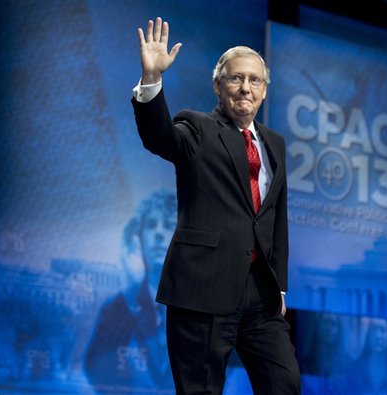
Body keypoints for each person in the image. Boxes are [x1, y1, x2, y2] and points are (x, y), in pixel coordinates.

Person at [130, 17, 300, 394]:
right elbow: (160, 137)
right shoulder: (199, 128)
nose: (245, 88)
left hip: (261, 296)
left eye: (255, 80)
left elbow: (276, 220)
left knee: (285, 383)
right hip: (203, 291)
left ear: (265, 91)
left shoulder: (275, 144)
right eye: (236, 78)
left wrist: (281, 289)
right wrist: (151, 81)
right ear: (218, 85)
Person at [84, 190, 177, 393]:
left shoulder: (205, 304)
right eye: (151, 226)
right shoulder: (117, 307)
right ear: (139, 240)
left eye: (169, 225)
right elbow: (95, 368)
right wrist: (131, 297)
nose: (159, 233)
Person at [348, 318, 387, 395]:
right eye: (373, 329)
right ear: (368, 335)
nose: (377, 336)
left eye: (383, 330)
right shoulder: (355, 369)